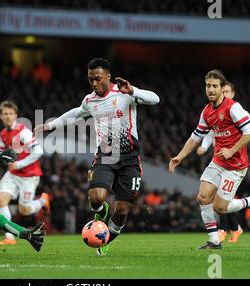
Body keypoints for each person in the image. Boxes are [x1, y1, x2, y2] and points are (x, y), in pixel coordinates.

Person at [34, 58, 160, 256]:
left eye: (98, 79)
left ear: (108, 77)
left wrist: (133, 90)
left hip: (130, 160)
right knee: (95, 199)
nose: (94, 83)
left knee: (122, 211)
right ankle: (101, 211)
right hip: (105, 156)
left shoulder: (125, 93)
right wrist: (49, 125)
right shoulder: (89, 101)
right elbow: (75, 114)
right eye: (91, 79)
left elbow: (155, 99)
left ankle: (105, 238)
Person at [169, 69, 250, 249]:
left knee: (220, 208)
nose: (210, 89)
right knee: (203, 197)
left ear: (221, 88)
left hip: (235, 166)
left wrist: (232, 150)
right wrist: (179, 157)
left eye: (214, 86)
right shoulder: (206, 112)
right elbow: (196, 136)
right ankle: (213, 241)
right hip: (218, 162)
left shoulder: (232, 107)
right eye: (207, 86)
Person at [196, 81, 250, 243]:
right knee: (212, 200)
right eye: (222, 91)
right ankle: (229, 229)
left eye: (226, 91)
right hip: (219, 160)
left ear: (232, 94)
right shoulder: (213, 111)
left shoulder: (237, 110)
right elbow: (210, 132)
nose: (223, 94)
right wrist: (204, 146)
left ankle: (227, 228)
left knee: (220, 204)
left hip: (235, 163)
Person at [0, 101, 50, 246]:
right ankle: (9, 238)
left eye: (11, 114)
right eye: (5, 114)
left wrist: (18, 164)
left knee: (23, 210)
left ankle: (43, 200)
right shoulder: (3, 134)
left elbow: (38, 151)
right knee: (0, 201)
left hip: (29, 176)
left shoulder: (23, 132)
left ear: (16, 116)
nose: (8, 116)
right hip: (13, 174)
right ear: (0, 116)